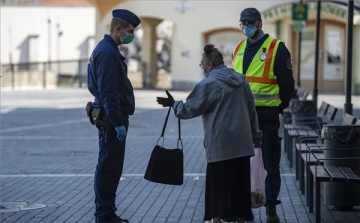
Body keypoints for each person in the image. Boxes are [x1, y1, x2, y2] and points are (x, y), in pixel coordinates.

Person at [157, 44, 262, 223]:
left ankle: (217, 220)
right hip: (242, 144)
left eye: (202, 65)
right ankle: (240, 220)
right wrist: (256, 136)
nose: (202, 68)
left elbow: (188, 109)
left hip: (220, 146)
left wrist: (173, 104)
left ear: (210, 65)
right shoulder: (242, 80)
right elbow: (252, 110)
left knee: (217, 187)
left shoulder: (208, 84)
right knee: (240, 185)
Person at [232, 7, 295, 223]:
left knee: (270, 164)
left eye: (250, 22)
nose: (246, 27)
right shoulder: (239, 48)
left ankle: (271, 207)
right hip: (241, 118)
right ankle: (244, 207)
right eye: (243, 23)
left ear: (260, 23)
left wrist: (277, 108)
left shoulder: (277, 48)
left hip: (266, 119)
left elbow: (287, 85)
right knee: (241, 164)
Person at [87, 9, 141, 223]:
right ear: (118, 29)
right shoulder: (107, 53)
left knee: (110, 166)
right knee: (109, 168)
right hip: (111, 120)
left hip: (110, 117)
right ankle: (104, 214)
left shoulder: (107, 49)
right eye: (129, 31)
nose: (132, 35)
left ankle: (106, 212)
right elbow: (108, 91)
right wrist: (118, 123)